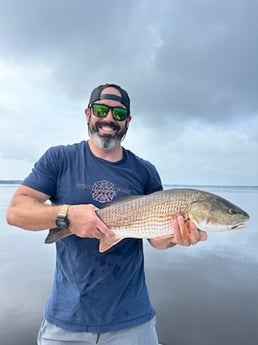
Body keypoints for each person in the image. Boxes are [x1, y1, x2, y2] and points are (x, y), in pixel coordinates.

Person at [6, 83, 207, 345]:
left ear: (128, 120)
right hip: (65, 321)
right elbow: (16, 211)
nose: (110, 119)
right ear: (88, 113)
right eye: (102, 110)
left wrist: (175, 236)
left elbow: (156, 239)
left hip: (133, 321)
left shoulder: (145, 171)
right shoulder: (60, 159)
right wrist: (67, 215)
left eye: (119, 114)